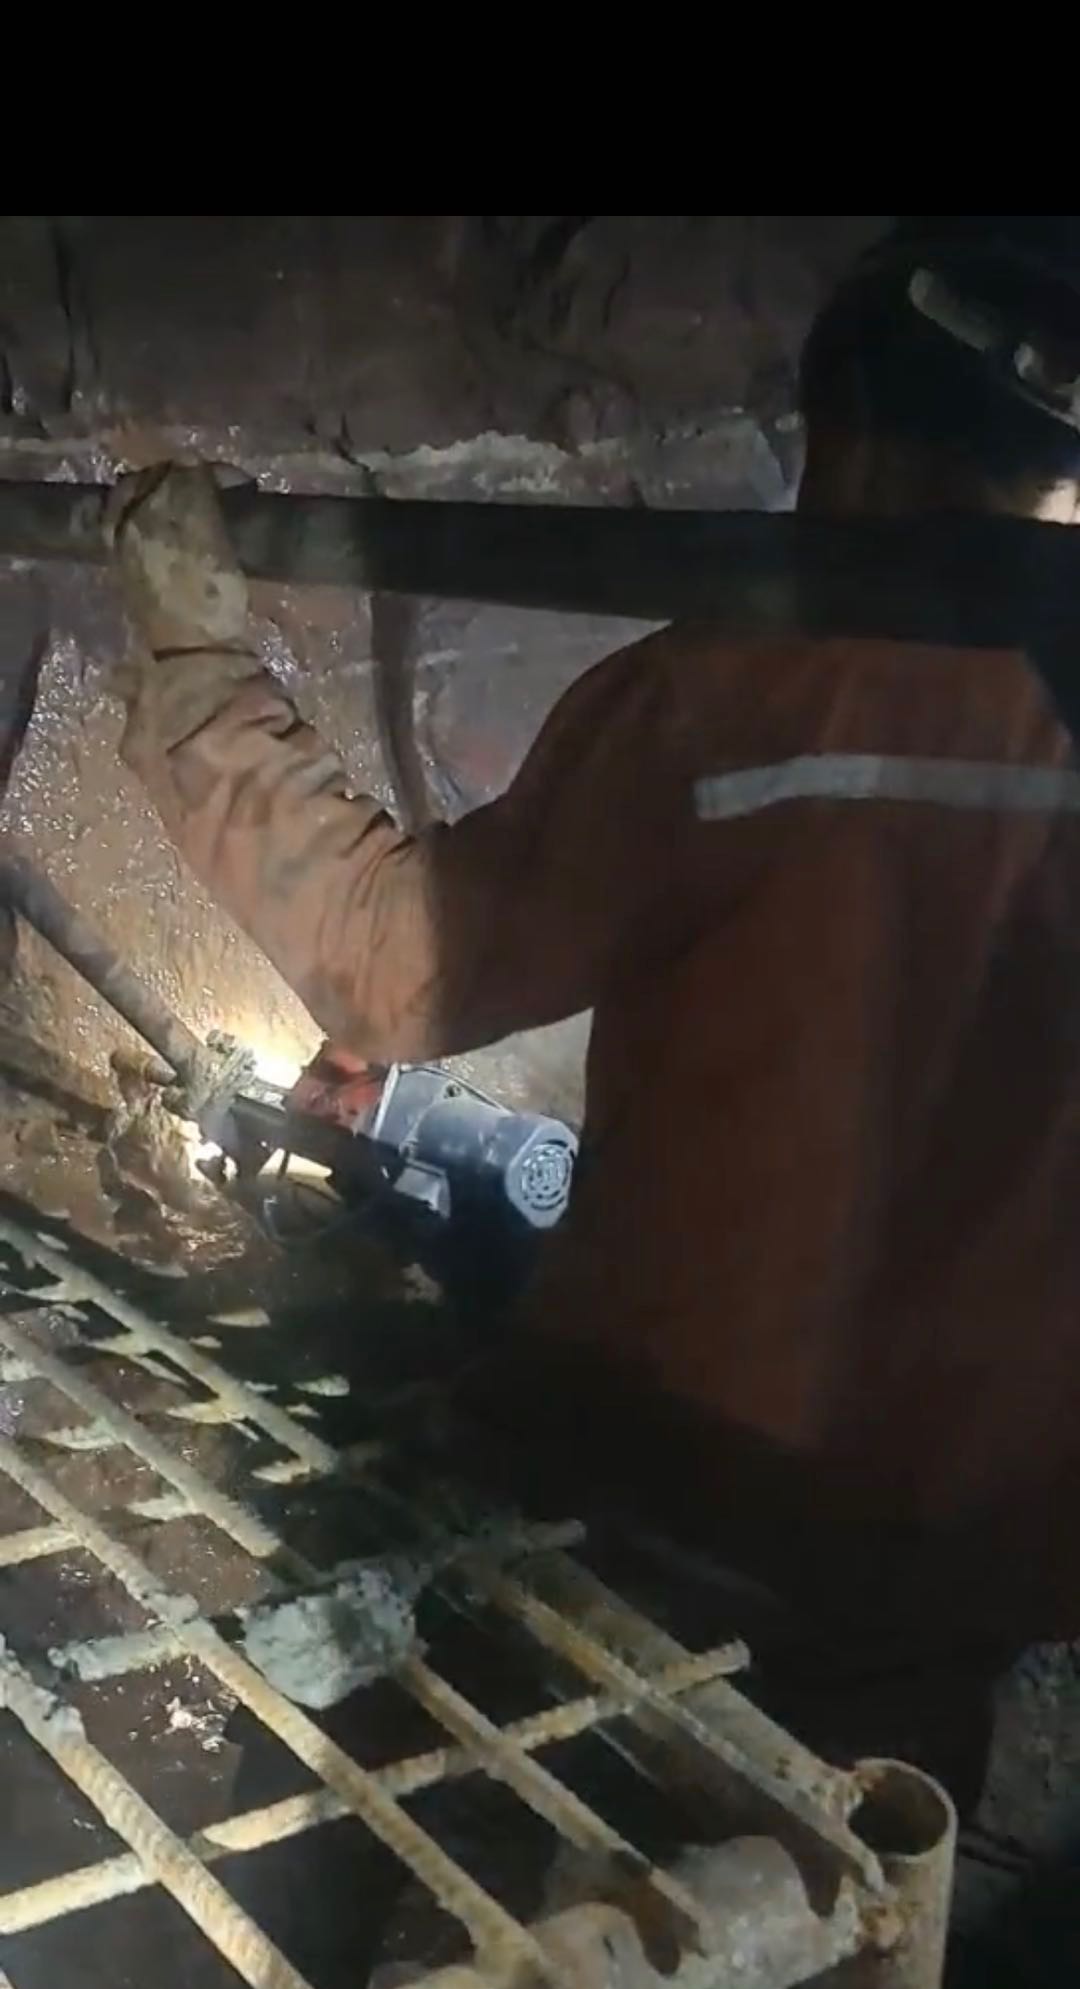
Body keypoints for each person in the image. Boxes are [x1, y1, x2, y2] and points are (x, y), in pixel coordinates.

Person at [110, 216, 1080, 1803]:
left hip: (676, 1495)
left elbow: (395, 966)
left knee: (412, 1619)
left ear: (847, 437)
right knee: (865, 1844)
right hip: (987, 1554)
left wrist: (193, 653)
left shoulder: (734, 699)